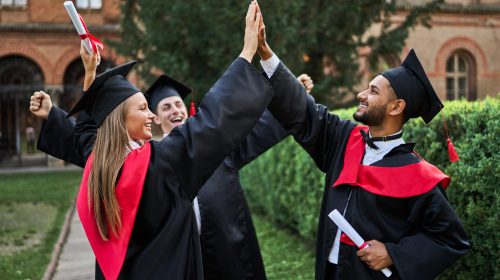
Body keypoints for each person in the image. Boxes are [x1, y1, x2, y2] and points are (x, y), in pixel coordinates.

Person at [32, 2, 275, 279]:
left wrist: (91, 74)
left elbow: (87, 132)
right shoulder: (163, 162)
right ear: (120, 119)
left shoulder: (99, 163)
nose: (150, 115)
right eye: (143, 108)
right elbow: (214, 119)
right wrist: (247, 52)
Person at [31, 72, 312, 280]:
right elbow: (93, 144)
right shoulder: (140, 160)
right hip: (175, 259)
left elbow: (254, 128)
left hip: (223, 250)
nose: (174, 110)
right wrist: (53, 116)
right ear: (155, 117)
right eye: (165, 107)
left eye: (178, 104)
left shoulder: (214, 148)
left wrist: (292, 98)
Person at [254, 10, 470, 279]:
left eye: (373, 91)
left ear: (396, 106)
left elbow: (450, 239)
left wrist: (394, 253)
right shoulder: (345, 138)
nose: (361, 94)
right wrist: (265, 52)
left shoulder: (418, 175)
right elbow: (303, 112)